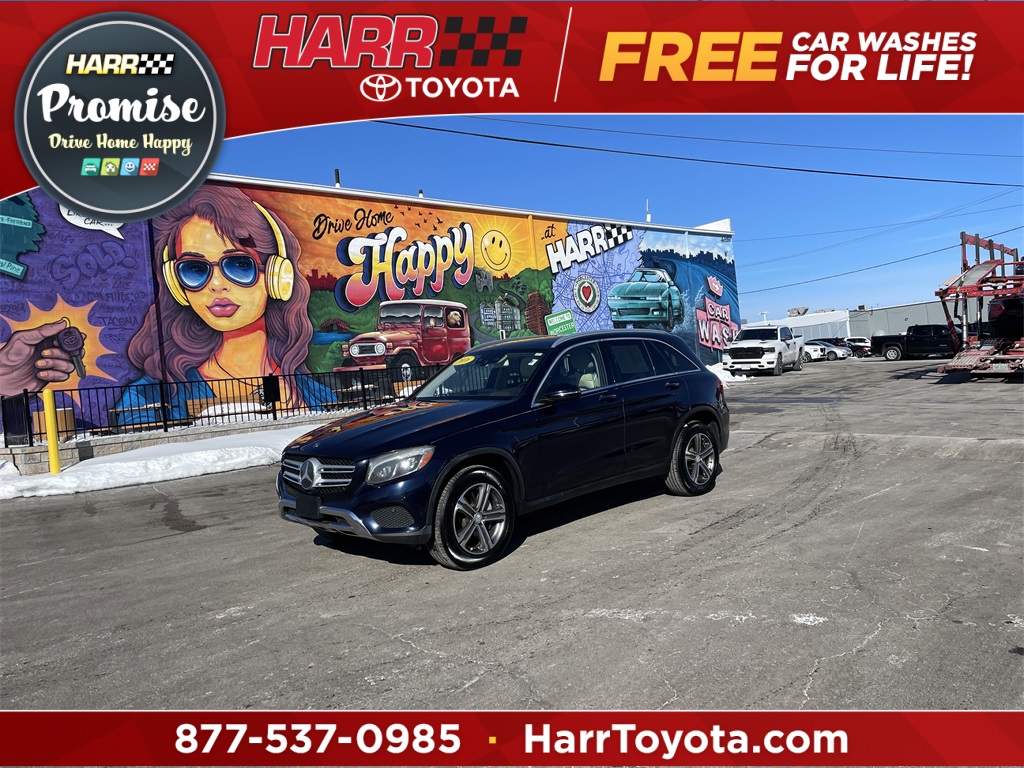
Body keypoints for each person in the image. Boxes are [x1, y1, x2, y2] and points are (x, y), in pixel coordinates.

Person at [114, 184, 333, 426]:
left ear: (277, 275)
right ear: (176, 285)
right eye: (195, 269)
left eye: (239, 265)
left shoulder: (314, 392)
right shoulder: (147, 397)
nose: (217, 285)